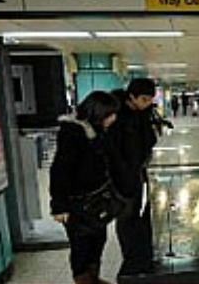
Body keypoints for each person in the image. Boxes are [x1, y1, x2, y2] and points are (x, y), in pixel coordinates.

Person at [50, 91, 119, 284]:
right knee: (82, 247)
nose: (113, 118)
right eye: (109, 114)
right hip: (77, 203)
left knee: (98, 241)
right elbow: (60, 170)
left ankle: (93, 278)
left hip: (95, 200)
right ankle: (83, 280)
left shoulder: (98, 131)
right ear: (97, 112)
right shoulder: (72, 133)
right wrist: (59, 205)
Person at [108, 79, 158, 275]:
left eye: (149, 100)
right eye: (144, 99)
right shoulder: (117, 116)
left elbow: (148, 140)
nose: (147, 103)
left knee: (136, 212)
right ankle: (129, 259)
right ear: (131, 97)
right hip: (122, 176)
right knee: (126, 215)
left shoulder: (142, 114)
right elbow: (114, 149)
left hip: (137, 172)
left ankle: (137, 251)